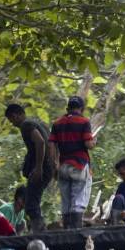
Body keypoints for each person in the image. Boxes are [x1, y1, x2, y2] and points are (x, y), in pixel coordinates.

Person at [48, 96, 96, 229]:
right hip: (79, 165)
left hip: (63, 166)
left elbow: (51, 145)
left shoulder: (57, 123)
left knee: (66, 201)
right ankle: (75, 232)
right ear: (82, 109)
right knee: (78, 200)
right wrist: (93, 143)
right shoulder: (84, 121)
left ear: (67, 108)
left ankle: (66, 232)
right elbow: (88, 143)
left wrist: (54, 165)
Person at [4, 104, 52, 233]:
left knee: (30, 204)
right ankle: (39, 230)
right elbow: (52, 143)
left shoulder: (26, 125)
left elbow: (40, 142)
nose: (13, 123)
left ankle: (40, 233)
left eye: (12, 120)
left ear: (16, 115)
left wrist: (38, 167)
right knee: (33, 200)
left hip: (42, 167)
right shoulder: (38, 122)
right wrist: (55, 163)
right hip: (49, 165)